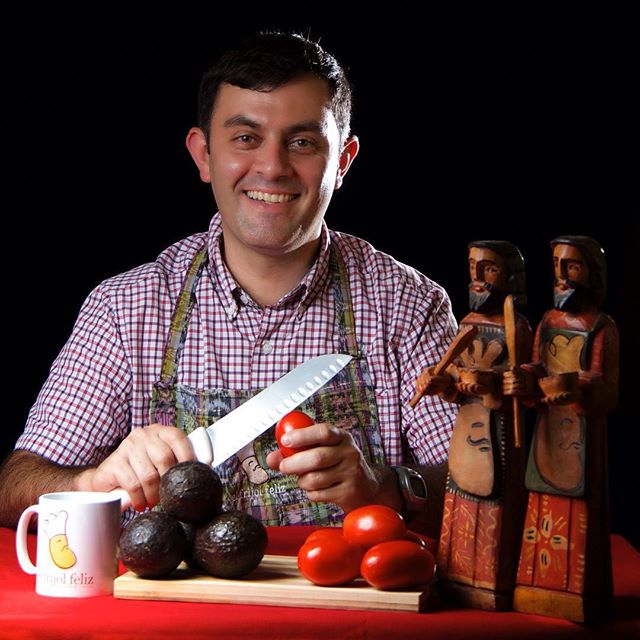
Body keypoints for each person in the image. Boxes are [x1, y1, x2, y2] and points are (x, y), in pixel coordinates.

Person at [0, 31, 457, 533]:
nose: (272, 167)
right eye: (245, 138)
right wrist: (95, 482)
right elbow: (14, 489)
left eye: (302, 142)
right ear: (203, 154)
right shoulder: (125, 308)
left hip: (343, 603)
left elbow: (483, 491)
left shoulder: (408, 305)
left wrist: (384, 487)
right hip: (170, 607)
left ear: (342, 162)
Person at [505, 236, 618, 622]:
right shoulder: (549, 323)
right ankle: (536, 587)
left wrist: (574, 385)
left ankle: (576, 595)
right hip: (548, 433)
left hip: (581, 439)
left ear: (592, 273)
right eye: (556, 266)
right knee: (539, 501)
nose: (561, 277)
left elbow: (604, 387)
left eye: (571, 266)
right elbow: (538, 366)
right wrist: (525, 378)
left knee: (578, 510)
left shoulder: (602, 327)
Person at [413, 241, 532, 609]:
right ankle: (458, 576)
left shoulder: (518, 329)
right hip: (466, 431)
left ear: (510, 277)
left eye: (489, 270)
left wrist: (498, 383)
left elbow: (528, 382)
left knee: (496, 500)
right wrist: (439, 383)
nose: (478, 279)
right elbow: (452, 380)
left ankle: (494, 584)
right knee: (462, 497)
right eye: (473, 269)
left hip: (497, 433)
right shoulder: (467, 325)